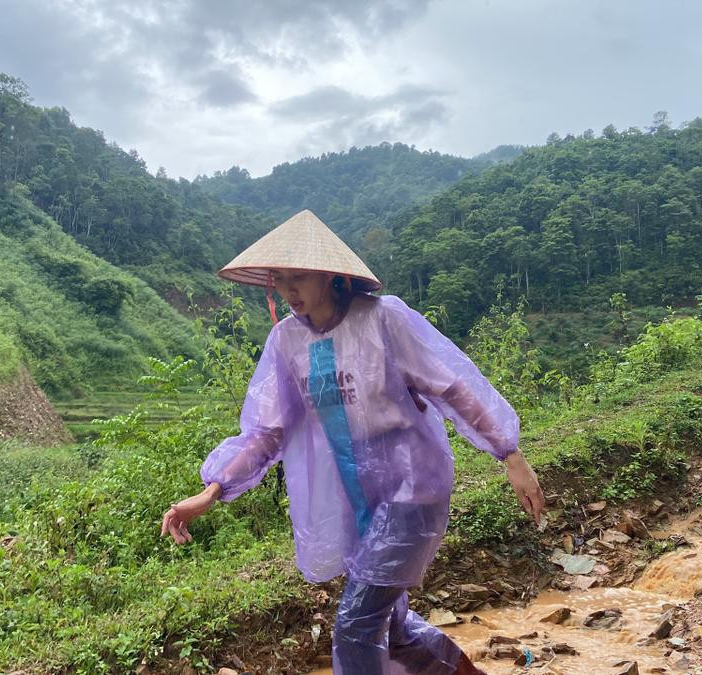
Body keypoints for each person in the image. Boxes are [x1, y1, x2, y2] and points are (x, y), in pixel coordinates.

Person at [161, 210, 545, 674]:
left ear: (329, 274)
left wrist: (509, 452)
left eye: (297, 276)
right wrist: (211, 491)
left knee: (356, 624)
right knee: (394, 630)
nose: (288, 291)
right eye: (279, 280)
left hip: (412, 488)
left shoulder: (383, 320)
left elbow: (452, 388)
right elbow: (267, 432)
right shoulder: (286, 343)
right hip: (354, 496)